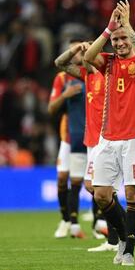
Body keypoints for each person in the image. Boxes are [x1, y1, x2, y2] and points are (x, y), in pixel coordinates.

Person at [84, 0, 135, 266]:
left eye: (123, 38)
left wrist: (127, 26)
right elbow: (87, 58)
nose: (120, 43)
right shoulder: (109, 63)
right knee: (100, 194)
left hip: (134, 138)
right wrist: (108, 29)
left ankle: (129, 250)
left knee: (132, 194)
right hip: (108, 138)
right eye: (116, 39)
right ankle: (125, 236)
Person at [54, 41, 121, 251]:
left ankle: (120, 232)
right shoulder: (86, 75)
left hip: (107, 139)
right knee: (92, 186)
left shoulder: (108, 75)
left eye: (87, 52)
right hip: (91, 140)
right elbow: (60, 63)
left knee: (102, 188)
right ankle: (116, 233)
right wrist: (75, 49)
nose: (84, 55)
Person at [48, 38, 87, 239]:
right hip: (69, 135)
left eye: (80, 50)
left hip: (95, 135)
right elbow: (51, 109)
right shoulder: (63, 79)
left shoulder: (94, 72)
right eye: (73, 51)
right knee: (64, 179)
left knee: (89, 181)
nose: (77, 54)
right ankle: (66, 220)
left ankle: (99, 221)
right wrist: (66, 95)